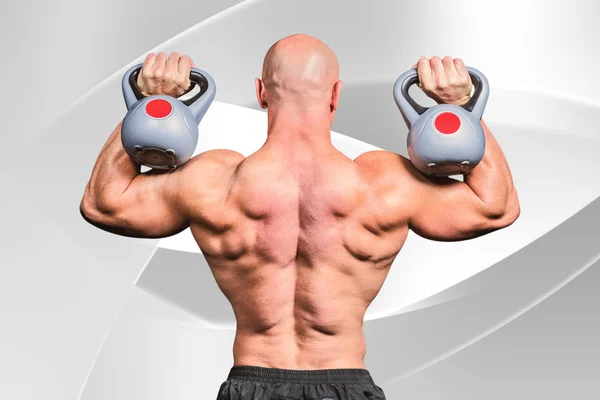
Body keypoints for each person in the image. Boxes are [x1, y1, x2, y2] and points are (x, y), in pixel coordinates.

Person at [80, 34, 520, 400]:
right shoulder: (383, 183)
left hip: (251, 382)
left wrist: (148, 103)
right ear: (335, 95)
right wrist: (460, 106)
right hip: (344, 384)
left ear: (260, 93)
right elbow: (495, 207)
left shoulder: (213, 181)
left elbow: (104, 204)